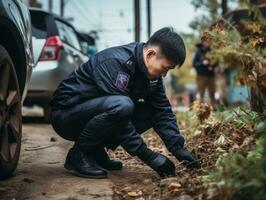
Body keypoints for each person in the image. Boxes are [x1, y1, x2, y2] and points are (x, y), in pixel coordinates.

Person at [50, 27, 201, 179]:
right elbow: (119, 116)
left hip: (93, 114)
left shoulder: (152, 76)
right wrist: (147, 155)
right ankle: (79, 154)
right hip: (66, 115)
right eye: (165, 68)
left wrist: (177, 147)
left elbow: (162, 110)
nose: (165, 74)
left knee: (150, 110)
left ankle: (94, 150)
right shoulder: (116, 62)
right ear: (150, 54)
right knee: (122, 106)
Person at [193, 40, 216, 108]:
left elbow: (216, 62)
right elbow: (194, 64)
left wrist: (212, 66)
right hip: (201, 75)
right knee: (201, 92)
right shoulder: (198, 52)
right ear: (203, 43)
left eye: (208, 42)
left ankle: (214, 107)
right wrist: (202, 63)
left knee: (212, 92)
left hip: (211, 75)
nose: (207, 43)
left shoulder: (211, 52)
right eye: (206, 42)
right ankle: (201, 107)